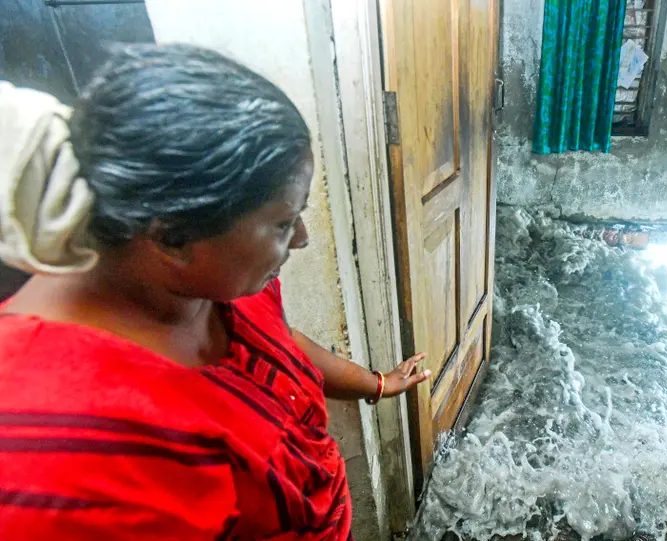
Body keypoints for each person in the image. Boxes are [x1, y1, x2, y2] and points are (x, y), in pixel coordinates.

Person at [0, 43, 430, 540]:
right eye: (282, 223)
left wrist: (376, 383)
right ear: (171, 237)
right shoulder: (51, 456)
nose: (302, 239)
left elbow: (282, 344)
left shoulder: (218, 285)